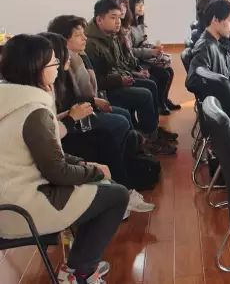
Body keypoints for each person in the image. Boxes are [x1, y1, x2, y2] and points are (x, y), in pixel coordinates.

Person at [0, 34, 129, 284]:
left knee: (102, 185)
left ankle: (81, 262)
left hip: (10, 199)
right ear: (36, 69)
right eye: (53, 63)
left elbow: (47, 154)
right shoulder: (33, 110)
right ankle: (79, 272)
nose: (58, 67)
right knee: (117, 195)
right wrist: (95, 171)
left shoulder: (11, 101)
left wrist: (82, 164)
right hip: (21, 209)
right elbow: (56, 171)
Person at [39, 32, 155, 216]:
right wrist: (71, 117)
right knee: (107, 134)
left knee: (111, 132)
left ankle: (123, 186)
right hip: (57, 144)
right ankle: (121, 192)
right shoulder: (39, 93)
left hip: (68, 127)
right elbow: (48, 132)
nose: (67, 57)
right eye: (59, 57)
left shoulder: (56, 79)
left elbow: (66, 106)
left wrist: (80, 109)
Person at [85, 0, 177, 153]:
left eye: (119, 18)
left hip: (117, 80)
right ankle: (148, 139)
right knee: (145, 94)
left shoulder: (111, 35)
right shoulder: (92, 44)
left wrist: (135, 72)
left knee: (151, 84)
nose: (118, 22)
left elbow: (121, 63)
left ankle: (151, 132)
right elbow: (97, 81)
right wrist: (120, 80)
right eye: (113, 18)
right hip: (106, 91)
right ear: (99, 19)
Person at [128, 0, 180, 113]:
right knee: (163, 74)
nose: (141, 7)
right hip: (138, 62)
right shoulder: (128, 28)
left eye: (142, 4)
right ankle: (159, 104)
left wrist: (154, 48)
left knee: (169, 71)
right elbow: (131, 51)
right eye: (138, 5)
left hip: (144, 58)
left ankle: (164, 100)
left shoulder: (139, 24)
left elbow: (143, 43)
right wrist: (151, 52)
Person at [186, 0, 230, 94]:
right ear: (215, 20)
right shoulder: (205, 46)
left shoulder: (216, 43)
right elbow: (192, 81)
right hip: (225, 100)